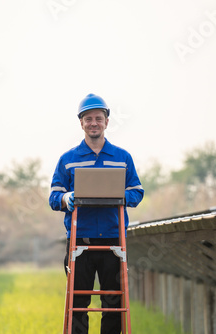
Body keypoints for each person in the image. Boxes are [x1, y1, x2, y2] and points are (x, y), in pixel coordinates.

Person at [49, 93, 144, 334]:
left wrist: (120, 196)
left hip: (114, 240)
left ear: (107, 122)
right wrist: (67, 198)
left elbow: (137, 191)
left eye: (98, 118)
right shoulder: (67, 160)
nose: (93, 123)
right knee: (78, 303)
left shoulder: (122, 158)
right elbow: (53, 198)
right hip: (80, 241)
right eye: (88, 119)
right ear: (81, 123)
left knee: (112, 303)